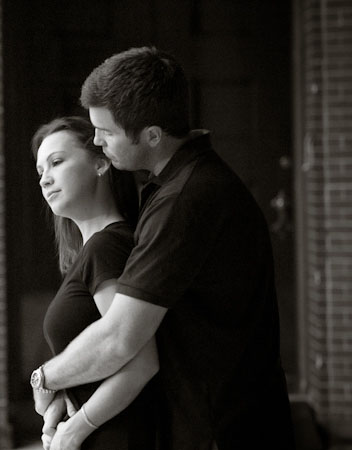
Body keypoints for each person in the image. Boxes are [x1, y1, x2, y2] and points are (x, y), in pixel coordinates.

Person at [31, 47, 295, 450]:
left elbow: (121, 338)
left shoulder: (184, 198)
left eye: (107, 132)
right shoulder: (169, 188)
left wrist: (46, 378)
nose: (98, 142)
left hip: (222, 430)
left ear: (152, 135)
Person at [31, 116, 159, 450]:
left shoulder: (108, 247)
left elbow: (142, 361)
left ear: (101, 163)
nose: (45, 180)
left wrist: (74, 431)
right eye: (40, 170)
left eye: (57, 162)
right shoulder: (92, 252)